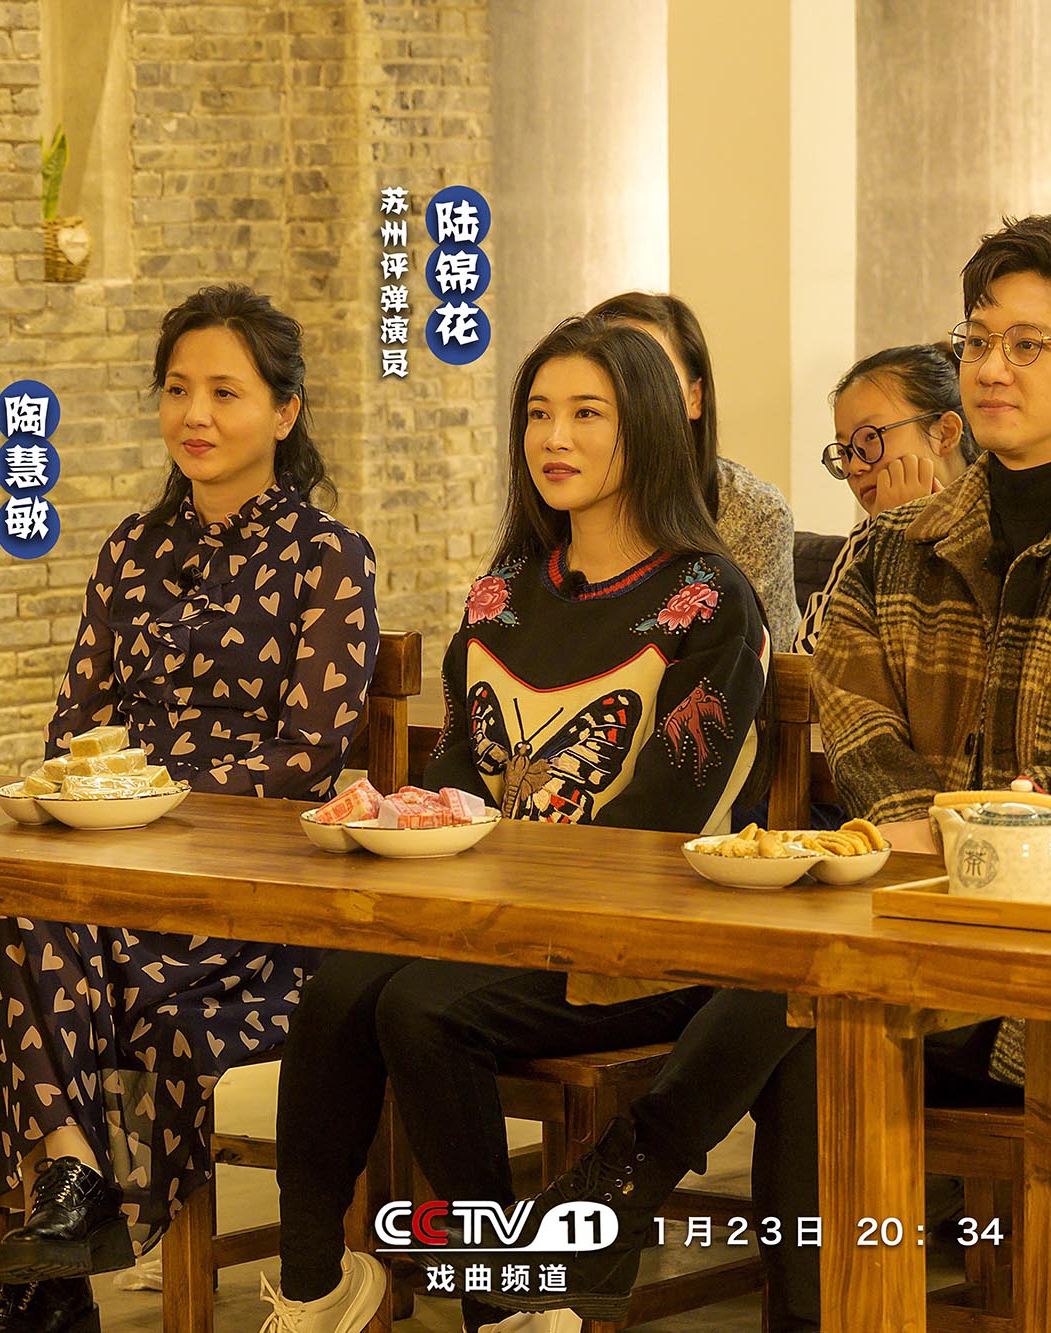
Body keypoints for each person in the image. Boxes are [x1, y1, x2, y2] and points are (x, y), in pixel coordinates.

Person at [483, 215, 1051, 1333]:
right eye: (979, 339)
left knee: (812, 992)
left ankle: (622, 1183)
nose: (991, 367)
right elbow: (855, 727)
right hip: (893, 946)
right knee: (819, 1003)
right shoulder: (890, 550)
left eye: (1027, 345)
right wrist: (929, 841)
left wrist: (956, 839)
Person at [260, 316, 770, 1333]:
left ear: (648, 429)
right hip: (494, 919)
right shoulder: (504, 590)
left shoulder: (709, 599)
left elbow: (657, 818)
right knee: (339, 986)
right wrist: (413, 827)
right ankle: (317, 1286)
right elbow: (460, 767)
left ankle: (507, 1303)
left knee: (422, 1009)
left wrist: (489, 885)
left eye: (587, 414)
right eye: (538, 413)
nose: (555, 438)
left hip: (643, 940)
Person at [0, 283, 382, 1333]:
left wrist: (158, 797)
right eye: (177, 389)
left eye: (225, 392)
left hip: (253, 900)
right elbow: (73, 729)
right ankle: (73, 1190)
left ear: (283, 411)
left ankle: (51, 1269)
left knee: (19, 934)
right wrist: (101, 798)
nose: (195, 414)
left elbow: (309, 758)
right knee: (15, 914)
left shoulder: (328, 555)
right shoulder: (129, 551)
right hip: (117, 875)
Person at [587, 292, 801, 648]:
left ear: (694, 397)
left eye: (652, 378)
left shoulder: (750, 511)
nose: (632, 400)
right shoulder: (566, 492)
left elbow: (762, 662)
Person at [791, 343, 977, 654]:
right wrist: (887, 538)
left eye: (870, 438)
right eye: (845, 451)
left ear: (945, 433)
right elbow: (809, 657)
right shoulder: (867, 536)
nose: (855, 466)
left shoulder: (990, 525)